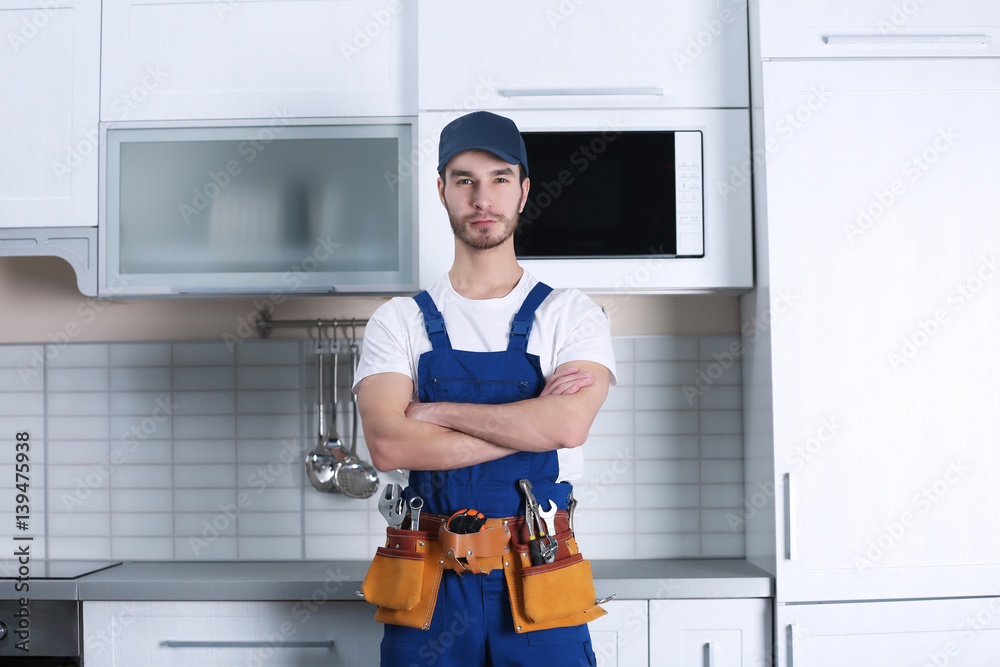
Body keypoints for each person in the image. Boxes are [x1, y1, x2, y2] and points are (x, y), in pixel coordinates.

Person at [354, 110, 616, 666]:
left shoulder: (571, 314)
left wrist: (434, 412)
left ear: (523, 192)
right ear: (442, 192)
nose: (482, 198)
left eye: (499, 178)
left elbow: (568, 425)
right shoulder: (398, 320)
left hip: (540, 569)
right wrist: (532, 424)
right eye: (464, 180)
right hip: (428, 582)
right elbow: (390, 446)